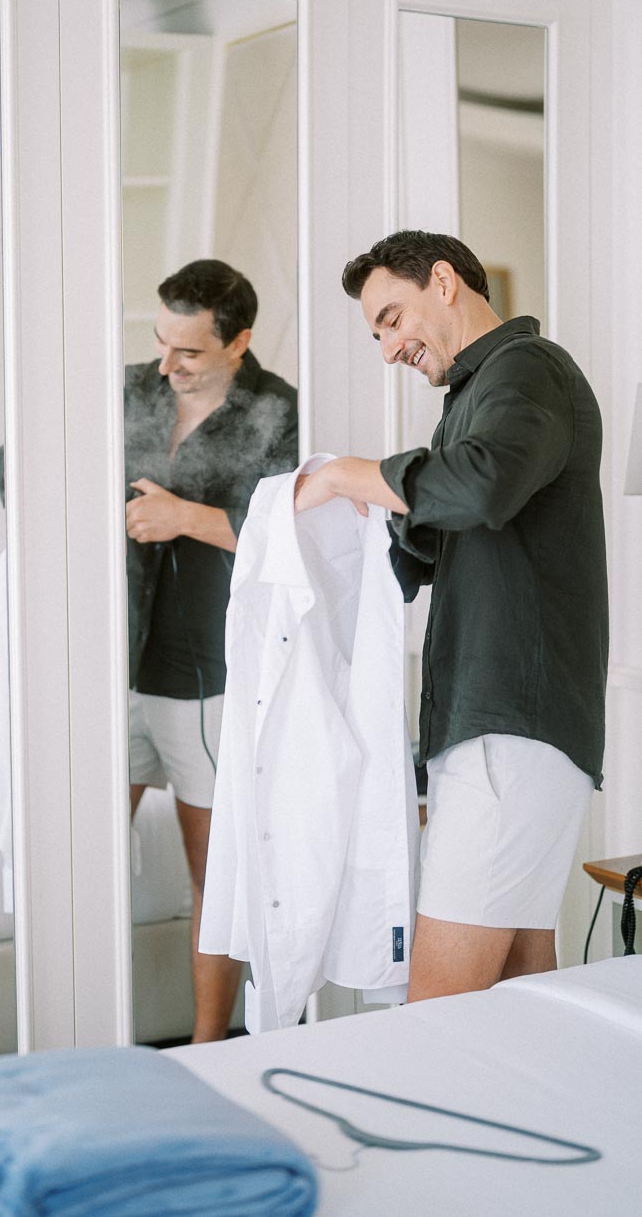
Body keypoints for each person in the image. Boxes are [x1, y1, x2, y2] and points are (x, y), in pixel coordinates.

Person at [294, 230, 607, 1002]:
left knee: (435, 1010)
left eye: (393, 319)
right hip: (514, 726)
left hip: (509, 725)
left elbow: (480, 488)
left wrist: (347, 478)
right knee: (523, 989)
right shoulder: (474, 398)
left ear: (443, 281)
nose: (389, 347)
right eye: (377, 334)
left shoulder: (525, 372)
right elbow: (447, 535)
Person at [125, 258, 298, 1041]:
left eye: (187, 352)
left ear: (240, 342)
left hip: (207, 672)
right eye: (160, 344)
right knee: (79, 847)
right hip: (108, 663)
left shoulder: (278, 413)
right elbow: (13, 464)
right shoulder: (126, 387)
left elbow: (291, 538)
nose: (166, 366)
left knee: (212, 872)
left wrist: (184, 517)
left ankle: (206, 1047)